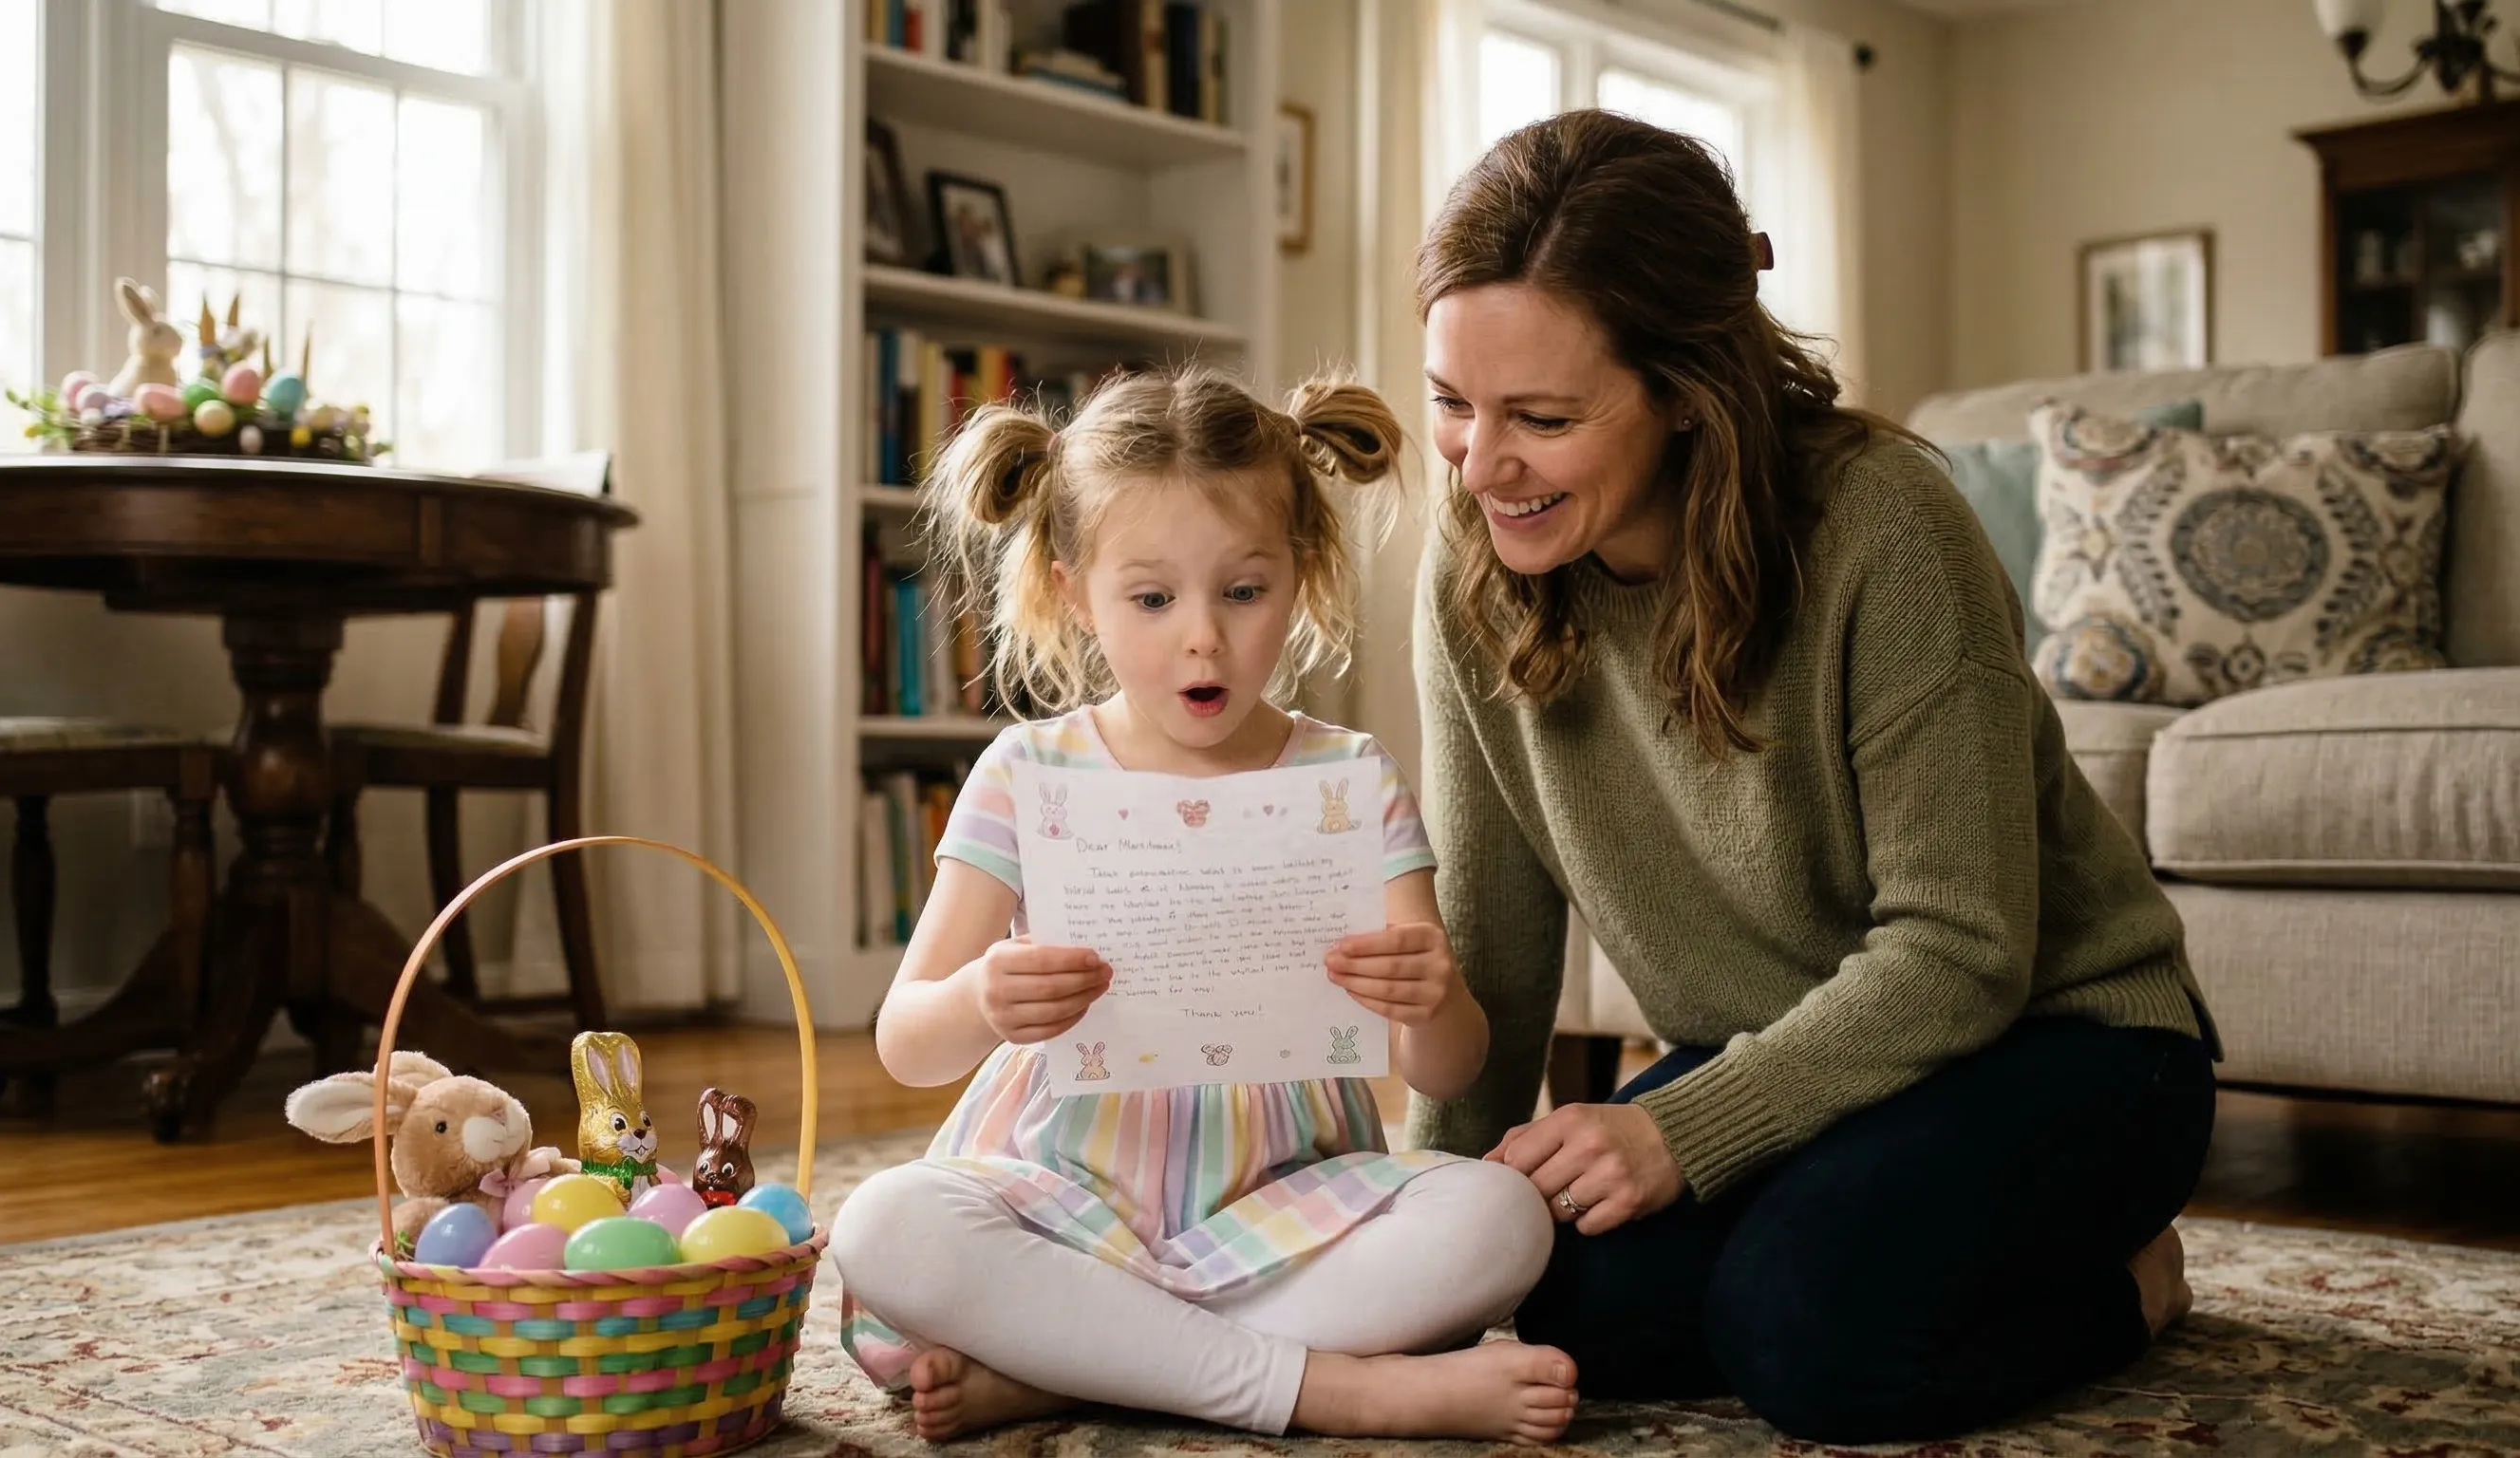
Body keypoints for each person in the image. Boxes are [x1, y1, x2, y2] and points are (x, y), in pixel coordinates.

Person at [1404, 109, 2226, 1445]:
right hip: (1794, 1056)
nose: (1482, 466)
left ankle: (2136, 1286)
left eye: (1540, 418)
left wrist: (1686, 1132)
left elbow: (1962, 949)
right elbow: (1490, 953)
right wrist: (1420, 1251)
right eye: (1452, 402)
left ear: (1685, 388)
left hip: (2064, 1043)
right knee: (1563, 1311)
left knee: (1810, 1339)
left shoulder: (1887, 528)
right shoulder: (1471, 568)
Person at [831, 365, 1577, 1445]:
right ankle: (1330, 1390)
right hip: (1069, 1196)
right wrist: (985, 997)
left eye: (1242, 590)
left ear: (1301, 573)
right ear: (1068, 589)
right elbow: (906, 1044)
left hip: (1283, 1202)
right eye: (1150, 598)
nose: (1202, 638)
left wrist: (1428, 998)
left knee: (1500, 1218)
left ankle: (1082, 1363)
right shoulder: (1024, 770)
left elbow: (1443, 1070)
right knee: (886, 1223)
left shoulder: (1348, 776)